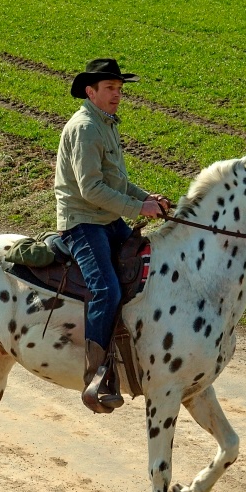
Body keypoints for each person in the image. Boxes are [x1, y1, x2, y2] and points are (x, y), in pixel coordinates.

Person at [55, 58, 170, 413]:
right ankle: (96, 376)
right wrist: (139, 210)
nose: (117, 95)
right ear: (91, 92)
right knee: (107, 288)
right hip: (83, 222)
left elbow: (116, 182)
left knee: (147, 270)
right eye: (110, 89)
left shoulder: (106, 124)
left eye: (119, 89)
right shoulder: (86, 128)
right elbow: (90, 189)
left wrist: (145, 198)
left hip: (106, 219)